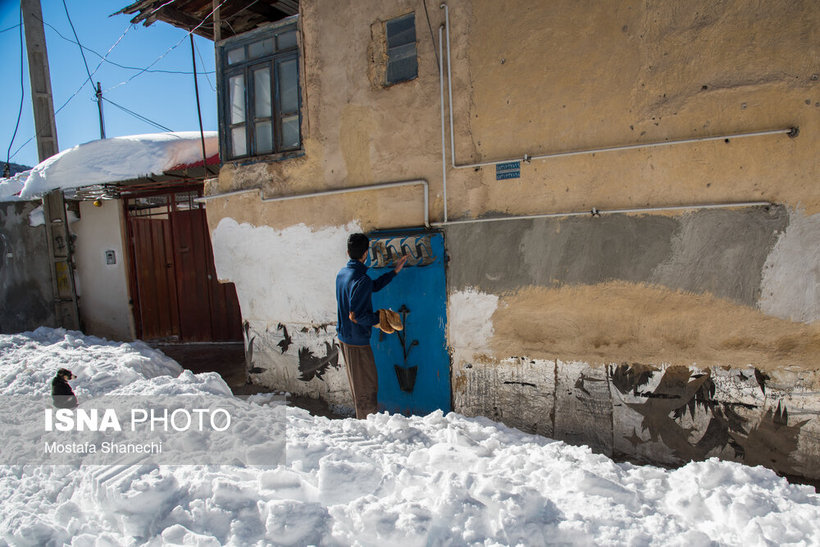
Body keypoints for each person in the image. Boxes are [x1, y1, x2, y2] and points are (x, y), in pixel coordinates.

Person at [336, 233, 407, 418]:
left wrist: (394, 272)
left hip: (345, 338)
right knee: (367, 388)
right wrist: (379, 319)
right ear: (366, 253)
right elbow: (356, 316)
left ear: (348, 252)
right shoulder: (362, 279)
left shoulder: (343, 274)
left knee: (358, 386)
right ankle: (368, 430)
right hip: (357, 342)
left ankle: (364, 422)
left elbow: (370, 287)